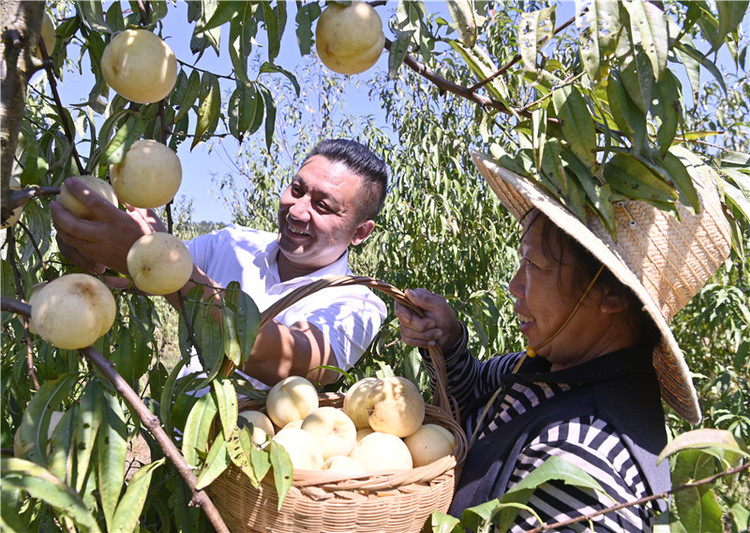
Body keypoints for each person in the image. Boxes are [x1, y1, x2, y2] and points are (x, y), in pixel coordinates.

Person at [394, 151, 731, 532]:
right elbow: (475, 400)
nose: (514, 286)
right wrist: (449, 341)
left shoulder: (580, 459)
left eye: (535, 265)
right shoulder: (544, 369)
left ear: (611, 296)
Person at [51, 138, 388, 389]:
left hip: (252, 473)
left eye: (323, 206)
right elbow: (130, 277)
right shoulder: (232, 244)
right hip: (175, 447)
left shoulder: (357, 303)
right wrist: (90, 246)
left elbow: (290, 363)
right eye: (296, 189)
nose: (297, 210)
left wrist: (159, 260)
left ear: (360, 232)